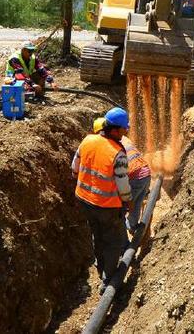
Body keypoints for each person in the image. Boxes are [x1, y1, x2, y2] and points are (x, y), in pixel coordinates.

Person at [72, 107, 132, 289]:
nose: (125, 133)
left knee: (96, 234)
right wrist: (128, 201)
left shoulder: (88, 140)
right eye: (123, 130)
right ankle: (109, 277)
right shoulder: (117, 152)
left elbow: (74, 167)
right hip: (107, 206)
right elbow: (122, 184)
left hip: (84, 199)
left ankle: (100, 266)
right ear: (114, 129)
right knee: (112, 240)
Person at [93, 117, 152, 235]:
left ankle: (122, 240)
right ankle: (133, 227)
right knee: (136, 204)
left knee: (121, 209)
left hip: (134, 176)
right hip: (145, 172)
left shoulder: (111, 145)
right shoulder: (123, 137)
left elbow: (118, 176)